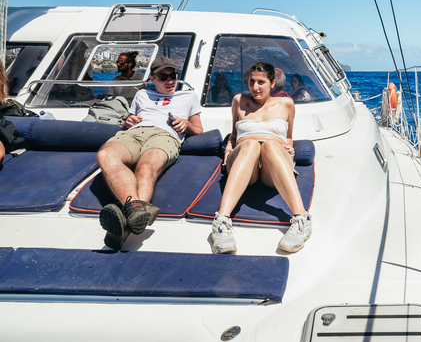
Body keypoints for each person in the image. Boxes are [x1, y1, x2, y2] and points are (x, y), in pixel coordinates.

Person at [96, 56, 204, 249]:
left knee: (146, 167)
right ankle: (135, 212)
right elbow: (129, 119)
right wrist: (127, 122)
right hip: (135, 133)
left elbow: (198, 130)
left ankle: (125, 225)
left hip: (165, 135)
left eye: (173, 75)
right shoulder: (142, 95)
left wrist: (186, 125)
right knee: (105, 155)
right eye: (163, 76)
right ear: (152, 79)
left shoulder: (188, 96)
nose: (170, 80)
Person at [212, 62, 311, 254]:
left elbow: (288, 136)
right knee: (249, 144)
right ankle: (222, 221)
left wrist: (289, 147)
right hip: (244, 159)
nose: (255, 87)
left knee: (270, 145)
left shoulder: (286, 104)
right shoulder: (239, 100)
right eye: (251, 81)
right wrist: (228, 150)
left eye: (261, 82)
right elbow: (234, 134)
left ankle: (301, 220)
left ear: (272, 83)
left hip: (270, 165)